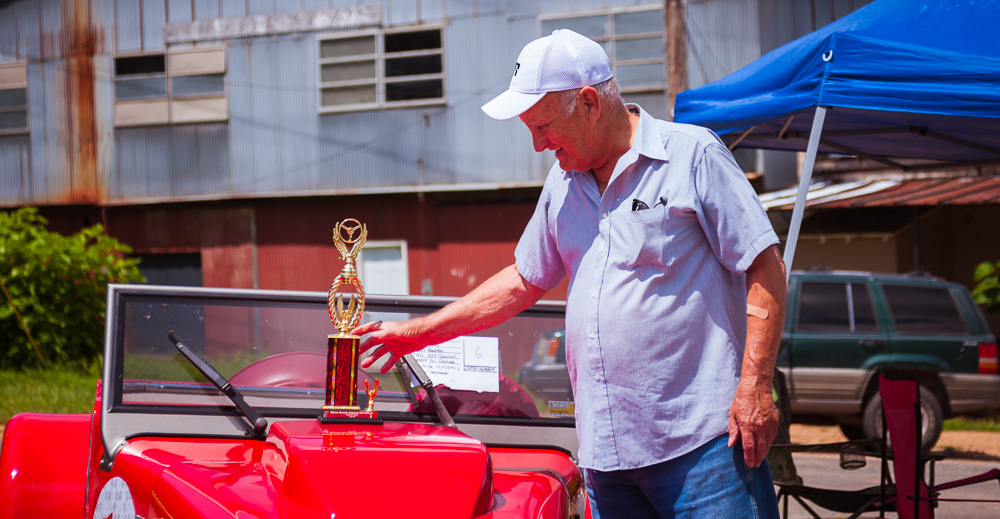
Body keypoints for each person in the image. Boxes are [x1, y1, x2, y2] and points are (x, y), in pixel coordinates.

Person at [353, 29, 786, 518]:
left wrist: (755, 387)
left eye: (543, 126)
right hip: (607, 458)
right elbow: (523, 280)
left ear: (589, 103)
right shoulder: (562, 182)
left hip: (702, 449)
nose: (538, 144)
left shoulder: (692, 155)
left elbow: (765, 265)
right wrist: (417, 333)